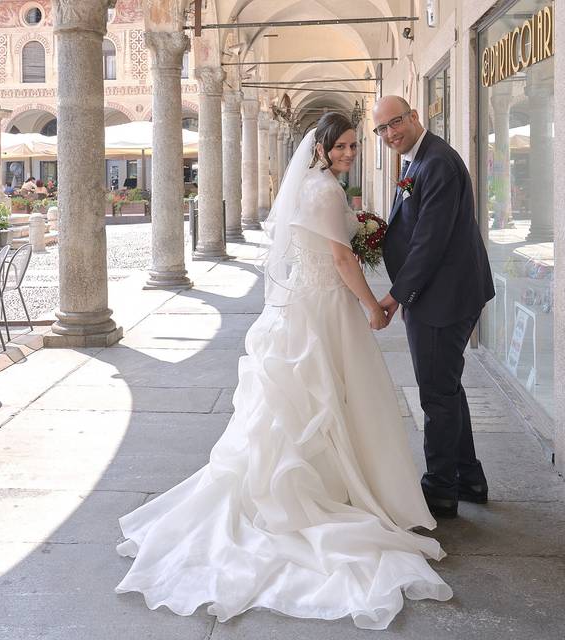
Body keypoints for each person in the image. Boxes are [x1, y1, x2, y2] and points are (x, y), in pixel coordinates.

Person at [115, 113, 452, 630]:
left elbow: (323, 249)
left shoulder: (314, 187)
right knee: (330, 400)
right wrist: (373, 307)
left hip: (306, 306)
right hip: (325, 308)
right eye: (340, 146)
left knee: (315, 404)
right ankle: (330, 490)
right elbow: (340, 260)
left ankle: (328, 482)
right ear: (319, 148)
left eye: (354, 146)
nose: (348, 154)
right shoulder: (327, 192)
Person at [371, 96, 495, 519]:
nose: (390, 133)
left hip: (444, 298)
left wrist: (394, 296)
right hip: (439, 293)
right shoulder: (418, 159)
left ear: (415, 117)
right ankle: (468, 478)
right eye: (382, 129)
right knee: (446, 386)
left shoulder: (437, 161)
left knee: (435, 394)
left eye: (396, 123)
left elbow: (430, 241)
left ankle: (441, 489)